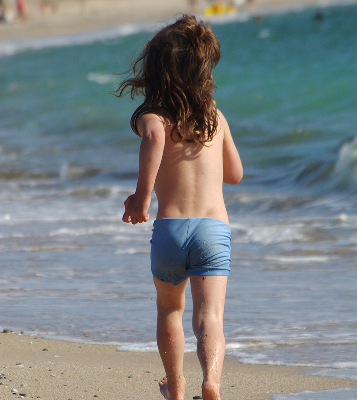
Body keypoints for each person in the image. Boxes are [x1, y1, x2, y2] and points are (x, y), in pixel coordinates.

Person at [116, 15, 243, 400]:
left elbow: (154, 136)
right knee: (210, 317)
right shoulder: (215, 118)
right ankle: (211, 382)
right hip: (212, 230)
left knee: (169, 309)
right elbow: (235, 174)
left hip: (170, 229)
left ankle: (175, 385)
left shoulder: (154, 117)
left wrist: (141, 197)